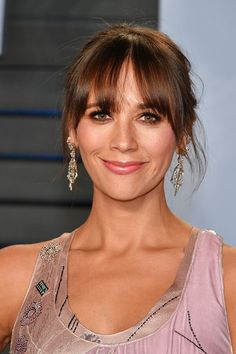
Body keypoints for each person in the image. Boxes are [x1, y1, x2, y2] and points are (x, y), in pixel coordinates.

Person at [0, 23, 235, 354]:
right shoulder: (15, 277)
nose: (124, 142)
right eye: (101, 114)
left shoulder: (226, 281)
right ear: (72, 128)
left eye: (148, 117)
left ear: (183, 132)